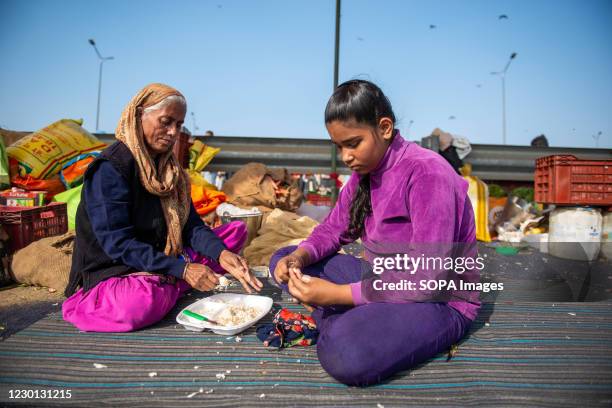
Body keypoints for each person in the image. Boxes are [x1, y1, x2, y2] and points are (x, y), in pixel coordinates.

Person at [270, 80, 481, 386]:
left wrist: (339, 294)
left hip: (437, 301)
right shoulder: (364, 174)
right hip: (381, 281)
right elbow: (332, 229)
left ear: (384, 128)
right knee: (284, 261)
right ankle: (349, 316)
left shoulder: (427, 174)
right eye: (339, 146)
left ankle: (338, 318)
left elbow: (427, 278)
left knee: (345, 354)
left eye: (353, 143)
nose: (345, 156)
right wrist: (300, 256)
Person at [63, 83, 262, 332]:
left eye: (178, 125)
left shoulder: (169, 171)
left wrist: (222, 254)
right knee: (139, 304)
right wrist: (183, 269)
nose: (172, 132)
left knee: (232, 236)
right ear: (138, 116)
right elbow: (118, 244)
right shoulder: (111, 169)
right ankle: (174, 282)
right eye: (166, 121)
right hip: (116, 271)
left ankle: (173, 279)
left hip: (161, 258)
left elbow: (191, 225)